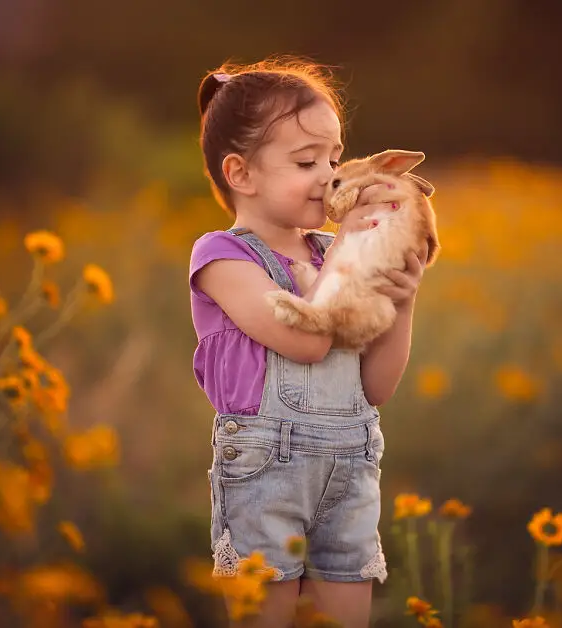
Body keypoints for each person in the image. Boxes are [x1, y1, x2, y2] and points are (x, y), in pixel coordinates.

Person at [189, 57, 428, 627]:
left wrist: (402, 299)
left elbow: (377, 386)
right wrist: (352, 247)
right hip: (264, 477)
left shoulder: (330, 252)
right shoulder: (223, 257)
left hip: (350, 469)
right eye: (305, 161)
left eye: (335, 159)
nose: (328, 175)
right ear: (241, 174)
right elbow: (308, 341)